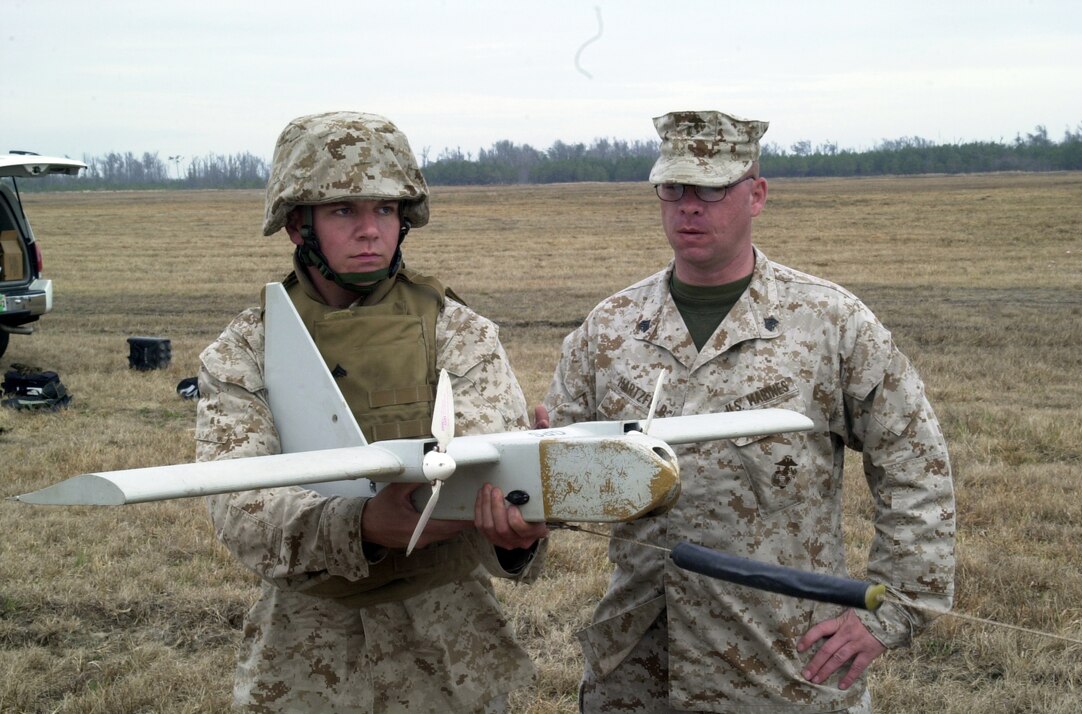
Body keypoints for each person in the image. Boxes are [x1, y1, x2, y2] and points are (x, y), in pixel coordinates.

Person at [536, 110, 955, 713]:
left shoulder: (828, 323)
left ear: (755, 195)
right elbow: (556, 484)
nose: (689, 206)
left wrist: (896, 609)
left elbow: (916, 462)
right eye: (673, 188)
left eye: (711, 188)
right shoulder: (611, 330)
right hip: (638, 672)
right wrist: (525, 498)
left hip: (782, 668)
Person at [196, 111, 549, 713]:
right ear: (296, 225)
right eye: (343, 211)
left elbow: (494, 471)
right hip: (307, 656)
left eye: (384, 210)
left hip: (451, 646)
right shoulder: (249, 350)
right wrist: (360, 524)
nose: (370, 231)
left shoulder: (457, 332)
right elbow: (239, 504)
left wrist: (520, 525)